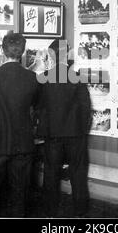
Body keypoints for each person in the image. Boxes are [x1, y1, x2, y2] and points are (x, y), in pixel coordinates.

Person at [0, 33, 40, 217]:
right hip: (22, 144)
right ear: (22, 52)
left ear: (3, 50)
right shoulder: (32, 78)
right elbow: (34, 109)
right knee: (20, 193)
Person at [37, 39, 92, 217]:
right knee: (78, 173)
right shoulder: (78, 78)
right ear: (68, 55)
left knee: (51, 173)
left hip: (52, 135)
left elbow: (38, 109)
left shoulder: (43, 79)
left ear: (51, 55)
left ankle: (50, 211)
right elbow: (86, 110)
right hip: (76, 135)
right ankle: (80, 212)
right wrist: (82, 132)